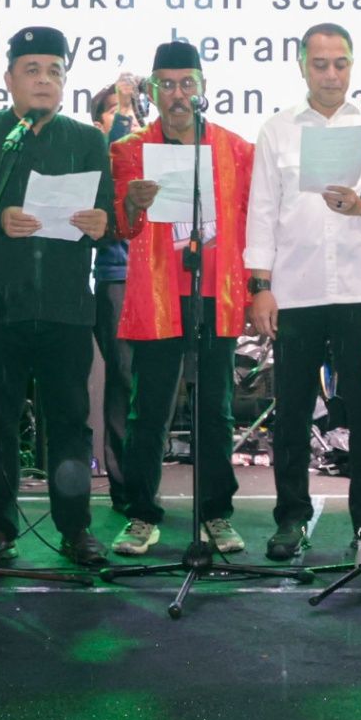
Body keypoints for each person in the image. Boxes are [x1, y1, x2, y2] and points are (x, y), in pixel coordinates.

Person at [245, 23, 361, 562]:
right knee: (293, 412)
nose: (331, 74)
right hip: (295, 291)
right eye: (319, 64)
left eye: (340, 63)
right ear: (302, 66)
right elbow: (261, 212)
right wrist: (260, 286)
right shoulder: (277, 129)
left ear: (352, 65)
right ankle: (291, 518)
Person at [0, 25, 113, 566]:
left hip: (66, 306)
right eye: (32, 70)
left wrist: (101, 221)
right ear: (9, 78)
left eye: (54, 71)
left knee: (69, 423)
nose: (44, 80)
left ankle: (75, 528)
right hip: (0, 304)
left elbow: (108, 215)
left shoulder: (87, 140)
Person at [108, 42, 255, 557]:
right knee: (149, 410)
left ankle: (216, 512)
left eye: (187, 83)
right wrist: (132, 203)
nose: (177, 94)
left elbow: (251, 224)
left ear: (203, 87)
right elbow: (122, 228)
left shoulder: (236, 150)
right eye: (167, 85)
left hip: (218, 291)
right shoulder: (130, 150)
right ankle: (141, 514)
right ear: (151, 91)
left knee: (216, 409)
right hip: (158, 293)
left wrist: (256, 288)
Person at [89, 77, 142, 508]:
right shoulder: (98, 153)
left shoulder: (155, 148)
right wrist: (124, 113)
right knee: (123, 379)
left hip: (163, 277)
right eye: (116, 110)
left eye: (135, 110)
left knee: (156, 383)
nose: (128, 116)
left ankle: (146, 479)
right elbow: (116, 158)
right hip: (118, 277)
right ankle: (125, 486)